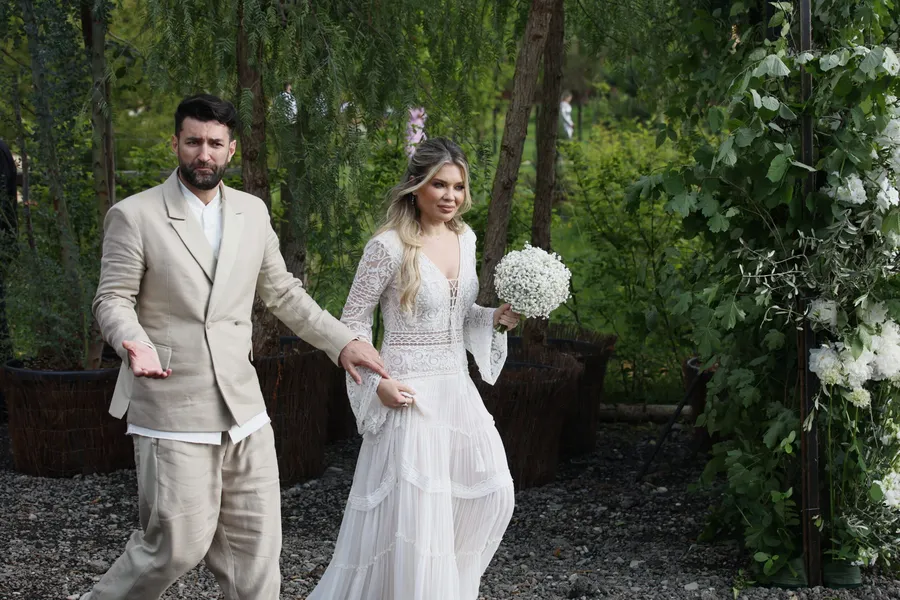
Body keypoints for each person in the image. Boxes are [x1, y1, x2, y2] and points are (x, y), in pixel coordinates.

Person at [82, 94, 387, 600]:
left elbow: (283, 292)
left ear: (232, 149)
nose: (204, 153)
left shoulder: (252, 211)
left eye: (214, 143)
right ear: (175, 143)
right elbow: (112, 298)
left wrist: (342, 343)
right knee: (175, 547)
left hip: (245, 408)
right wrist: (133, 341)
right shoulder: (133, 215)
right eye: (193, 141)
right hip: (172, 404)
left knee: (256, 561)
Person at [308, 137, 520, 600]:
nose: (450, 196)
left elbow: (459, 316)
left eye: (458, 187)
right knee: (419, 520)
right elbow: (352, 323)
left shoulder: (466, 238)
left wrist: (495, 319)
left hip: (456, 390)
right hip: (408, 393)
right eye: (439, 185)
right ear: (415, 186)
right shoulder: (387, 247)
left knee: (494, 492)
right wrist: (376, 385)